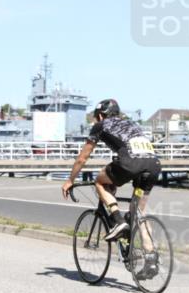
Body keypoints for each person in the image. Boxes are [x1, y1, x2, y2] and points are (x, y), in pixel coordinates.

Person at [61, 99, 162, 246]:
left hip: (131, 163)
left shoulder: (101, 125)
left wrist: (70, 180)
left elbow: (82, 159)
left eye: (97, 117)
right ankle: (151, 255)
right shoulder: (132, 123)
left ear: (101, 116)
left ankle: (118, 220)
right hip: (153, 164)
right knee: (138, 211)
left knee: (99, 182)